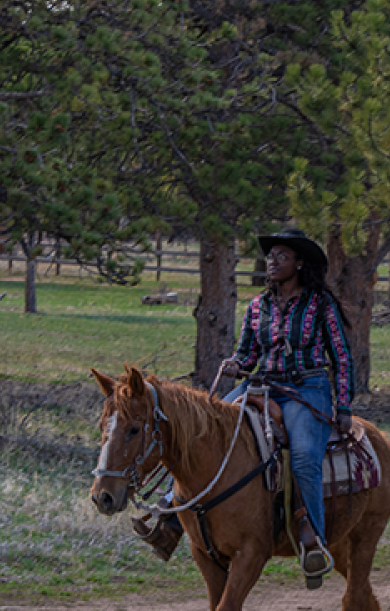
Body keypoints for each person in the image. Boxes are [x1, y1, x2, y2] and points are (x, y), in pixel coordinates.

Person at [133, 229, 354, 587]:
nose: (273, 261)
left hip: (306, 389)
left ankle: (311, 537)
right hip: (262, 385)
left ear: (299, 263)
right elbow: (248, 355)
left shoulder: (320, 304)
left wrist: (342, 405)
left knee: (302, 455)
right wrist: (237, 364)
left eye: (282, 256)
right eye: (271, 256)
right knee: (202, 430)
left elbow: (341, 356)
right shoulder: (257, 306)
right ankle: (170, 517)